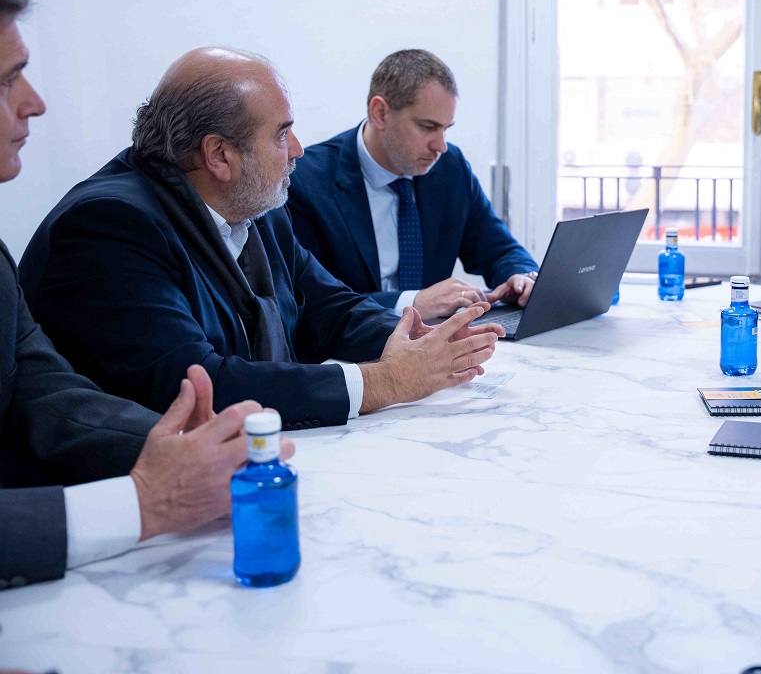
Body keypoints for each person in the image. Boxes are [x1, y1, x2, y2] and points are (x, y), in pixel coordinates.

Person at [19, 46, 503, 431]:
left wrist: (421, 339)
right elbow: (197, 385)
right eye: (281, 134)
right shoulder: (109, 227)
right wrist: (384, 381)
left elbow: (329, 308)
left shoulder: (253, 204)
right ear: (219, 156)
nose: (297, 150)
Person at [0, 0, 293, 588]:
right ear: (218, 155)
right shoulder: (110, 220)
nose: (35, 103)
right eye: (7, 80)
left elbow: (49, 396)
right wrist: (142, 503)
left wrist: (197, 449)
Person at [287, 49, 538, 319]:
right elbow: (307, 300)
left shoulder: (449, 167)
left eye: (446, 129)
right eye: (428, 127)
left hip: (437, 338)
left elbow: (499, 249)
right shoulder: (305, 181)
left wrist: (522, 276)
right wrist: (409, 303)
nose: (440, 146)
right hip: (352, 343)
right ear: (380, 113)